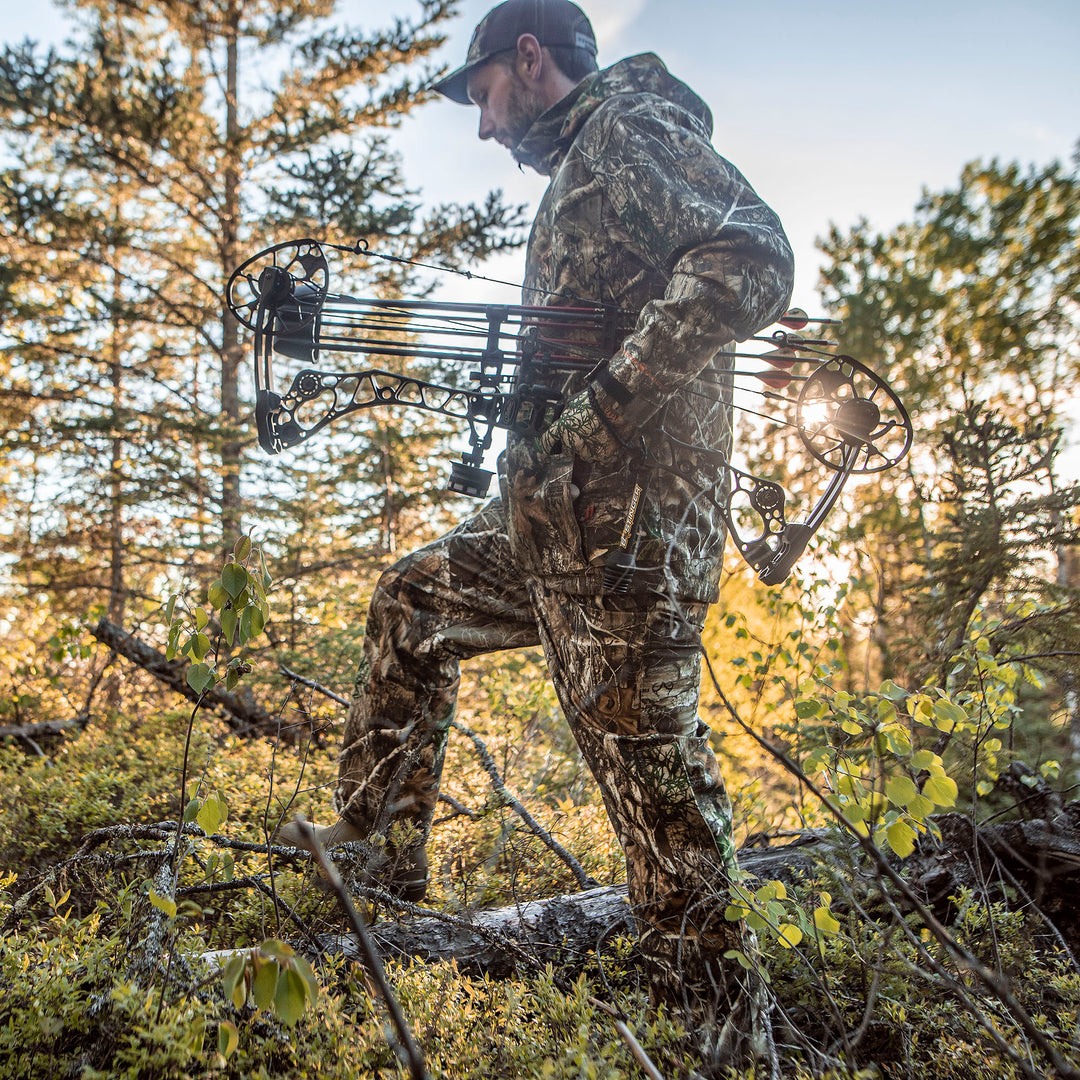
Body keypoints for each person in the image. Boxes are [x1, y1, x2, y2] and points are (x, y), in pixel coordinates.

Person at [282, 0, 794, 1068]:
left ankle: (723, 1035)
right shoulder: (582, 169)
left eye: (482, 96)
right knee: (413, 601)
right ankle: (376, 858)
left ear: (528, 60)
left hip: (629, 540)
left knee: (651, 783)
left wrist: (599, 416)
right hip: (551, 524)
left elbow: (752, 259)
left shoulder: (629, 134)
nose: (482, 126)